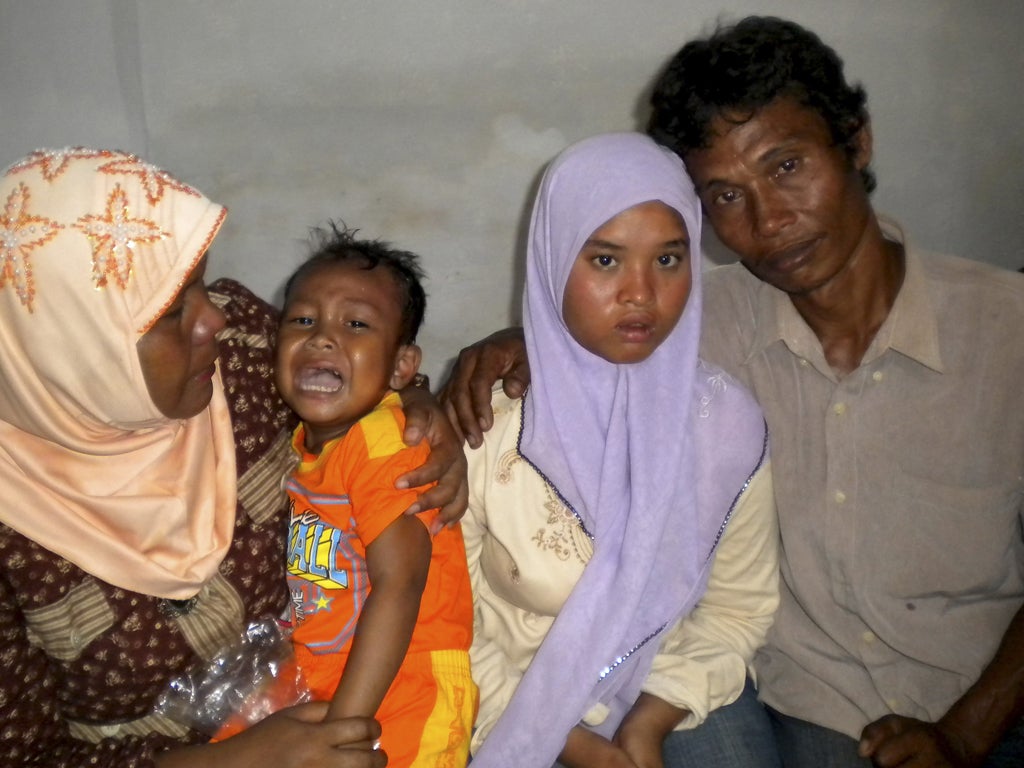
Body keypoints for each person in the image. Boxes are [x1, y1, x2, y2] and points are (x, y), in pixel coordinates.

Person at [441, 16, 1024, 768]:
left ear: (857, 141)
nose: (770, 220)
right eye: (724, 195)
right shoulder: (689, 328)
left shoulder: (1005, 330)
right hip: (806, 708)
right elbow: (588, 330)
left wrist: (966, 735)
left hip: (989, 707)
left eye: (786, 166)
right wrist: (485, 357)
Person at [0, 147, 464, 768]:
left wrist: (423, 406)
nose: (213, 317)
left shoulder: (242, 349)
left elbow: (361, 361)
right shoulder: (14, 543)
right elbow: (27, 757)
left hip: (346, 701)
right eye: (173, 311)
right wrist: (243, 760)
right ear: (73, 347)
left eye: (201, 283)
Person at [464, 132, 778, 768]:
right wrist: (567, 741)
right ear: (554, 260)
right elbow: (448, 624)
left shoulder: (723, 425)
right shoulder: (489, 425)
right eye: (605, 261)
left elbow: (738, 611)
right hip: (512, 694)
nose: (640, 293)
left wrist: (649, 722)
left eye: (668, 259)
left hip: (671, 682)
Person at [274, 224, 476, 767]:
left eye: (356, 323)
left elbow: (401, 582)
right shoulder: (303, 447)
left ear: (401, 367)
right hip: (340, 684)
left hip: (408, 688)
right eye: (303, 319)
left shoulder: (385, 442)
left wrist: (342, 732)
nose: (322, 337)